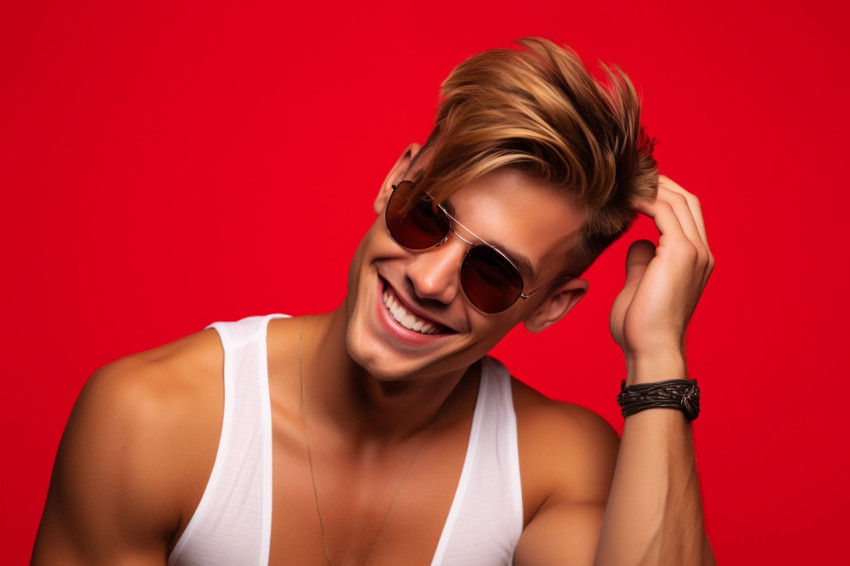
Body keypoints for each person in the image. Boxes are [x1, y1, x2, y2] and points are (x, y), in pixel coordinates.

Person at [31, 37, 715, 565]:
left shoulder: (553, 468)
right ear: (394, 182)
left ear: (550, 306)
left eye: (494, 272)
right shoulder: (156, 421)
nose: (430, 279)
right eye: (425, 216)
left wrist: (656, 356)